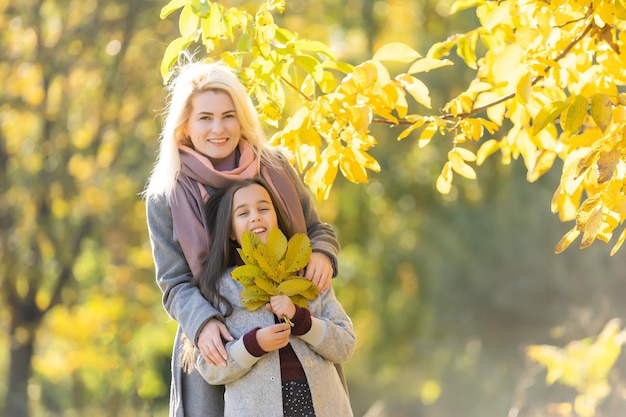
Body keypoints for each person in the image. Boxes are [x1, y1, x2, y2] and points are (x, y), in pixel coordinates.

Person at [143, 59, 341, 417]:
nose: (218, 128)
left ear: (242, 118)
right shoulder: (166, 194)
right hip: (224, 342)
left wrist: (322, 254)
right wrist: (203, 324)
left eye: (228, 115)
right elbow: (174, 282)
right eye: (205, 118)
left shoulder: (275, 166)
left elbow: (317, 230)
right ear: (185, 126)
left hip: (297, 330)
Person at [186, 177, 355, 417]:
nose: (255, 216)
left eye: (263, 208)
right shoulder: (220, 289)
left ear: (276, 218)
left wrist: (302, 322)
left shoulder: (307, 274)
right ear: (231, 232)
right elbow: (210, 369)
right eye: (243, 213)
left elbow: (346, 345)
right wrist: (253, 345)